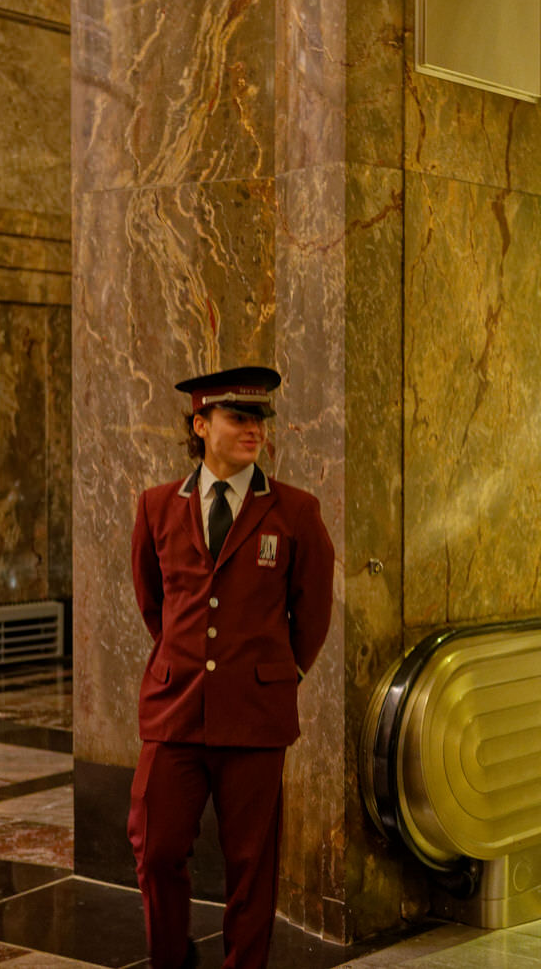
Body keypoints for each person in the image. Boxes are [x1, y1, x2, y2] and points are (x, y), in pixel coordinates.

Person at [127, 365, 334, 969]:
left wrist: (278, 675)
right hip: (174, 712)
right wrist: (184, 658)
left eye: (260, 419)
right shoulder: (157, 506)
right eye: (239, 417)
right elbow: (153, 602)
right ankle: (170, 958)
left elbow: (312, 613)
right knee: (155, 848)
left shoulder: (295, 511)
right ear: (201, 424)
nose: (254, 430)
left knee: (251, 865)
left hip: (254, 716)